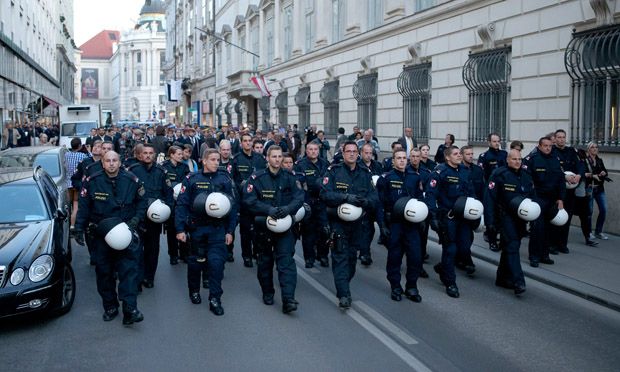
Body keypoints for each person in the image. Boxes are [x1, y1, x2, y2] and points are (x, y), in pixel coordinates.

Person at [74, 151, 147, 325]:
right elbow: (84, 207)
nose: (112, 164)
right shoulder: (92, 181)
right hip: (102, 235)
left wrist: (136, 219)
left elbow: (142, 203)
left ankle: (130, 309)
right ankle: (110, 306)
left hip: (125, 232)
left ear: (120, 162)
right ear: (103, 163)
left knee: (129, 271)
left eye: (115, 160)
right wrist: (78, 228)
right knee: (104, 273)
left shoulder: (132, 180)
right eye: (108, 161)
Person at [320, 141, 384, 309]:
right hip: (338, 223)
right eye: (348, 151)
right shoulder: (334, 172)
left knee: (351, 259)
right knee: (340, 257)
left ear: (358, 153)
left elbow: (375, 197)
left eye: (354, 151)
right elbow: (325, 194)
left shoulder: (365, 173)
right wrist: (345, 198)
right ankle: (344, 294)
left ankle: (343, 284)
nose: (351, 154)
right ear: (343, 153)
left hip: (358, 224)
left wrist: (366, 202)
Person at [175, 149, 237, 316]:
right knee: (196, 264)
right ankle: (194, 290)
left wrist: (230, 230)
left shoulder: (224, 179)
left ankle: (215, 298)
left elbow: (232, 207)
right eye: (213, 159)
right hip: (197, 230)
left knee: (217, 265)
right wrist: (180, 229)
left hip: (217, 230)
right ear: (203, 161)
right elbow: (181, 204)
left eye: (218, 159)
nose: (217, 162)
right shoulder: (192, 179)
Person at [243, 146, 305, 314]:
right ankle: (268, 292)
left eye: (279, 156)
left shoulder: (290, 177)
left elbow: (299, 197)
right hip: (263, 227)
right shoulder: (257, 178)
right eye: (274, 156)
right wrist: (267, 209)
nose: (277, 159)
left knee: (286, 263)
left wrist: (287, 209)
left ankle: (288, 299)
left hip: (285, 228)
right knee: (265, 262)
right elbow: (249, 200)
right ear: (267, 158)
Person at [425, 145, 476, 298]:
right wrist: (432, 216)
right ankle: (450, 282)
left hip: (464, 216)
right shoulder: (440, 172)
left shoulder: (466, 172)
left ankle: (443, 267)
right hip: (448, 217)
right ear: (447, 157)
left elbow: (471, 192)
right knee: (450, 249)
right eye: (455, 154)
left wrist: (476, 210)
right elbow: (431, 194)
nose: (459, 156)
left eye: (460, 153)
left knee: (465, 247)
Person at [484, 149, 534, 295]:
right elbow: (489, 199)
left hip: (520, 218)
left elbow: (532, 197)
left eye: (519, 159)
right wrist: (490, 222)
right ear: (507, 160)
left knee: (510, 247)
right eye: (514, 159)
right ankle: (518, 281)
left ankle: (501, 278)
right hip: (505, 217)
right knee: (512, 246)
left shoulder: (526, 176)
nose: (517, 162)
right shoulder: (499, 175)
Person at [376, 149, 424, 302]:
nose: (402, 161)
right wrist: (382, 224)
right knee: (395, 257)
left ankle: (412, 286)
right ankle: (395, 286)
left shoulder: (415, 178)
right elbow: (380, 204)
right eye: (399, 158)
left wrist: (422, 219)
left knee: (415, 256)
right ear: (393, 160)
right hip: (395, 224)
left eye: (404, 158)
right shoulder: (386, 178)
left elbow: (419, 200)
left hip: (411, 224)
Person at [127, 144, 173, 289]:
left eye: (150, 153)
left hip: (155, 218)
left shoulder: (161, 171)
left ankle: (149, 277)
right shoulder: (133, 171)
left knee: (152, 249)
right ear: (140, 155)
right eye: (145, 153)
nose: (147, 155)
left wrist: (167, 211)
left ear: (155, 155)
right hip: (138, 217)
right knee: (136, 249)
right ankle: (138, 279)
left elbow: (169, 193)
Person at [523, 136, 565, 267]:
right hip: (538, 199)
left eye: (550, 146)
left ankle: (544, 255)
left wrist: (561, 199)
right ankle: (534, 256)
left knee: (549, 229)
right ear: (540, 146)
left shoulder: (555, 159)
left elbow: (561, 181)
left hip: (552, 200)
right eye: (545, 146)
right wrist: (532, 199)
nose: (548, 148)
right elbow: (527, 181)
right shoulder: (532, 160)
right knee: (537, 229)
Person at [231, 133, 267, 267]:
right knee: (245, 230)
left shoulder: (260, 159)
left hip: (258, 200)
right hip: (243, 200)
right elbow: (232, 181)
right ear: (241, 143)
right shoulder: (236, 159)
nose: (247, 143)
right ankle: (246, 256)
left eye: (249, 141)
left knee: (259, 229)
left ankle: (256, 252)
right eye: (245, 141)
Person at [294, 142, 330, 268]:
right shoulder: (300, 165)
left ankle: (323, 255)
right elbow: (299, 185)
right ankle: (309, 258)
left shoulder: (325, 164)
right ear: (306, 151)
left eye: (315, 149)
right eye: (310, 149)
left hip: (323, 202)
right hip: (308, 202)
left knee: (324, 231)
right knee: (308, 232)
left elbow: (329, 182)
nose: (313, 151)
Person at [551, 129, 582, 254]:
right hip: (556, 191)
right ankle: (551, 244)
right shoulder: (551, 151)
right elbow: (552, 169)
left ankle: (562, 244)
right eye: (559, 137)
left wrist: (579, 175)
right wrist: (564, 176)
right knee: (555, 217)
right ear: (555, 138)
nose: (561, 139)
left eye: (563, 137)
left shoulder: (571, 151)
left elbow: (580, 164)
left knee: (567, 218)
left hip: (570, 191)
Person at [161, 146, 191, 264]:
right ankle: (173, 255)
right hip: (170, 202)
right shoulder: (164, 167)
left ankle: (184, 254)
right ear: (172, 155)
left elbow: (188, 182)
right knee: (172, 229)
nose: (181, 156)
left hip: (182, 201)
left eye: (181, 154)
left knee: (183, 227)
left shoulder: (184, 167)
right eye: (178, 154)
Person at [357, 143, 384, 266]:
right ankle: (364, 254)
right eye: (366, 153)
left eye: (370, 153)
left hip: (378, 202)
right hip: (365, 201)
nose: (368, 155)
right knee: (366, 228)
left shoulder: (377, 166)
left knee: (383, 227)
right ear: (361, 153)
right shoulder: (357, 166)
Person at [407, 148, 431, 277]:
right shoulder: (406, 172)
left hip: (422, 211)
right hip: (409, 210)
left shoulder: (426, 173)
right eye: (413, 156)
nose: (415, 159)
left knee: (422, 240)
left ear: (420, 157)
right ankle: (412, 264)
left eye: (417, 156)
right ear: (409, 157)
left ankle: (419, 266)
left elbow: (429, 192)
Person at [585, 142, 610, 240]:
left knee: (603, 209)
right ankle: (589, 232)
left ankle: (598, 231)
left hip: (599, 189)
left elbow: (605, 171)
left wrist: (604, 173)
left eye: (596, 147)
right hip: (590, 188)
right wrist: (592, 175)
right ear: (589, 149)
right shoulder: (585, 160)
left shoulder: (599, 160)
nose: (595, 149)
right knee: (589, 212)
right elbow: (584, 173)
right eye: (592, 147)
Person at [217, 140, 235, 261]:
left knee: (230, 225)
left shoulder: (234, 163)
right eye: (223, 149)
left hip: (231, 198)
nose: (226, 152)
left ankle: (229, 250)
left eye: (228, 150)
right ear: (220, 150)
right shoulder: (215, 161)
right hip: (217, 198)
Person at [65, 137, 88, 230]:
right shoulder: (83, 156)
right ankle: (73, 225)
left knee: (67, 206)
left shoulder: (66, 154)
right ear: (79, 146)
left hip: (68, 183)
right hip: (77, 183)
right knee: (76, 205)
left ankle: (66, 224)